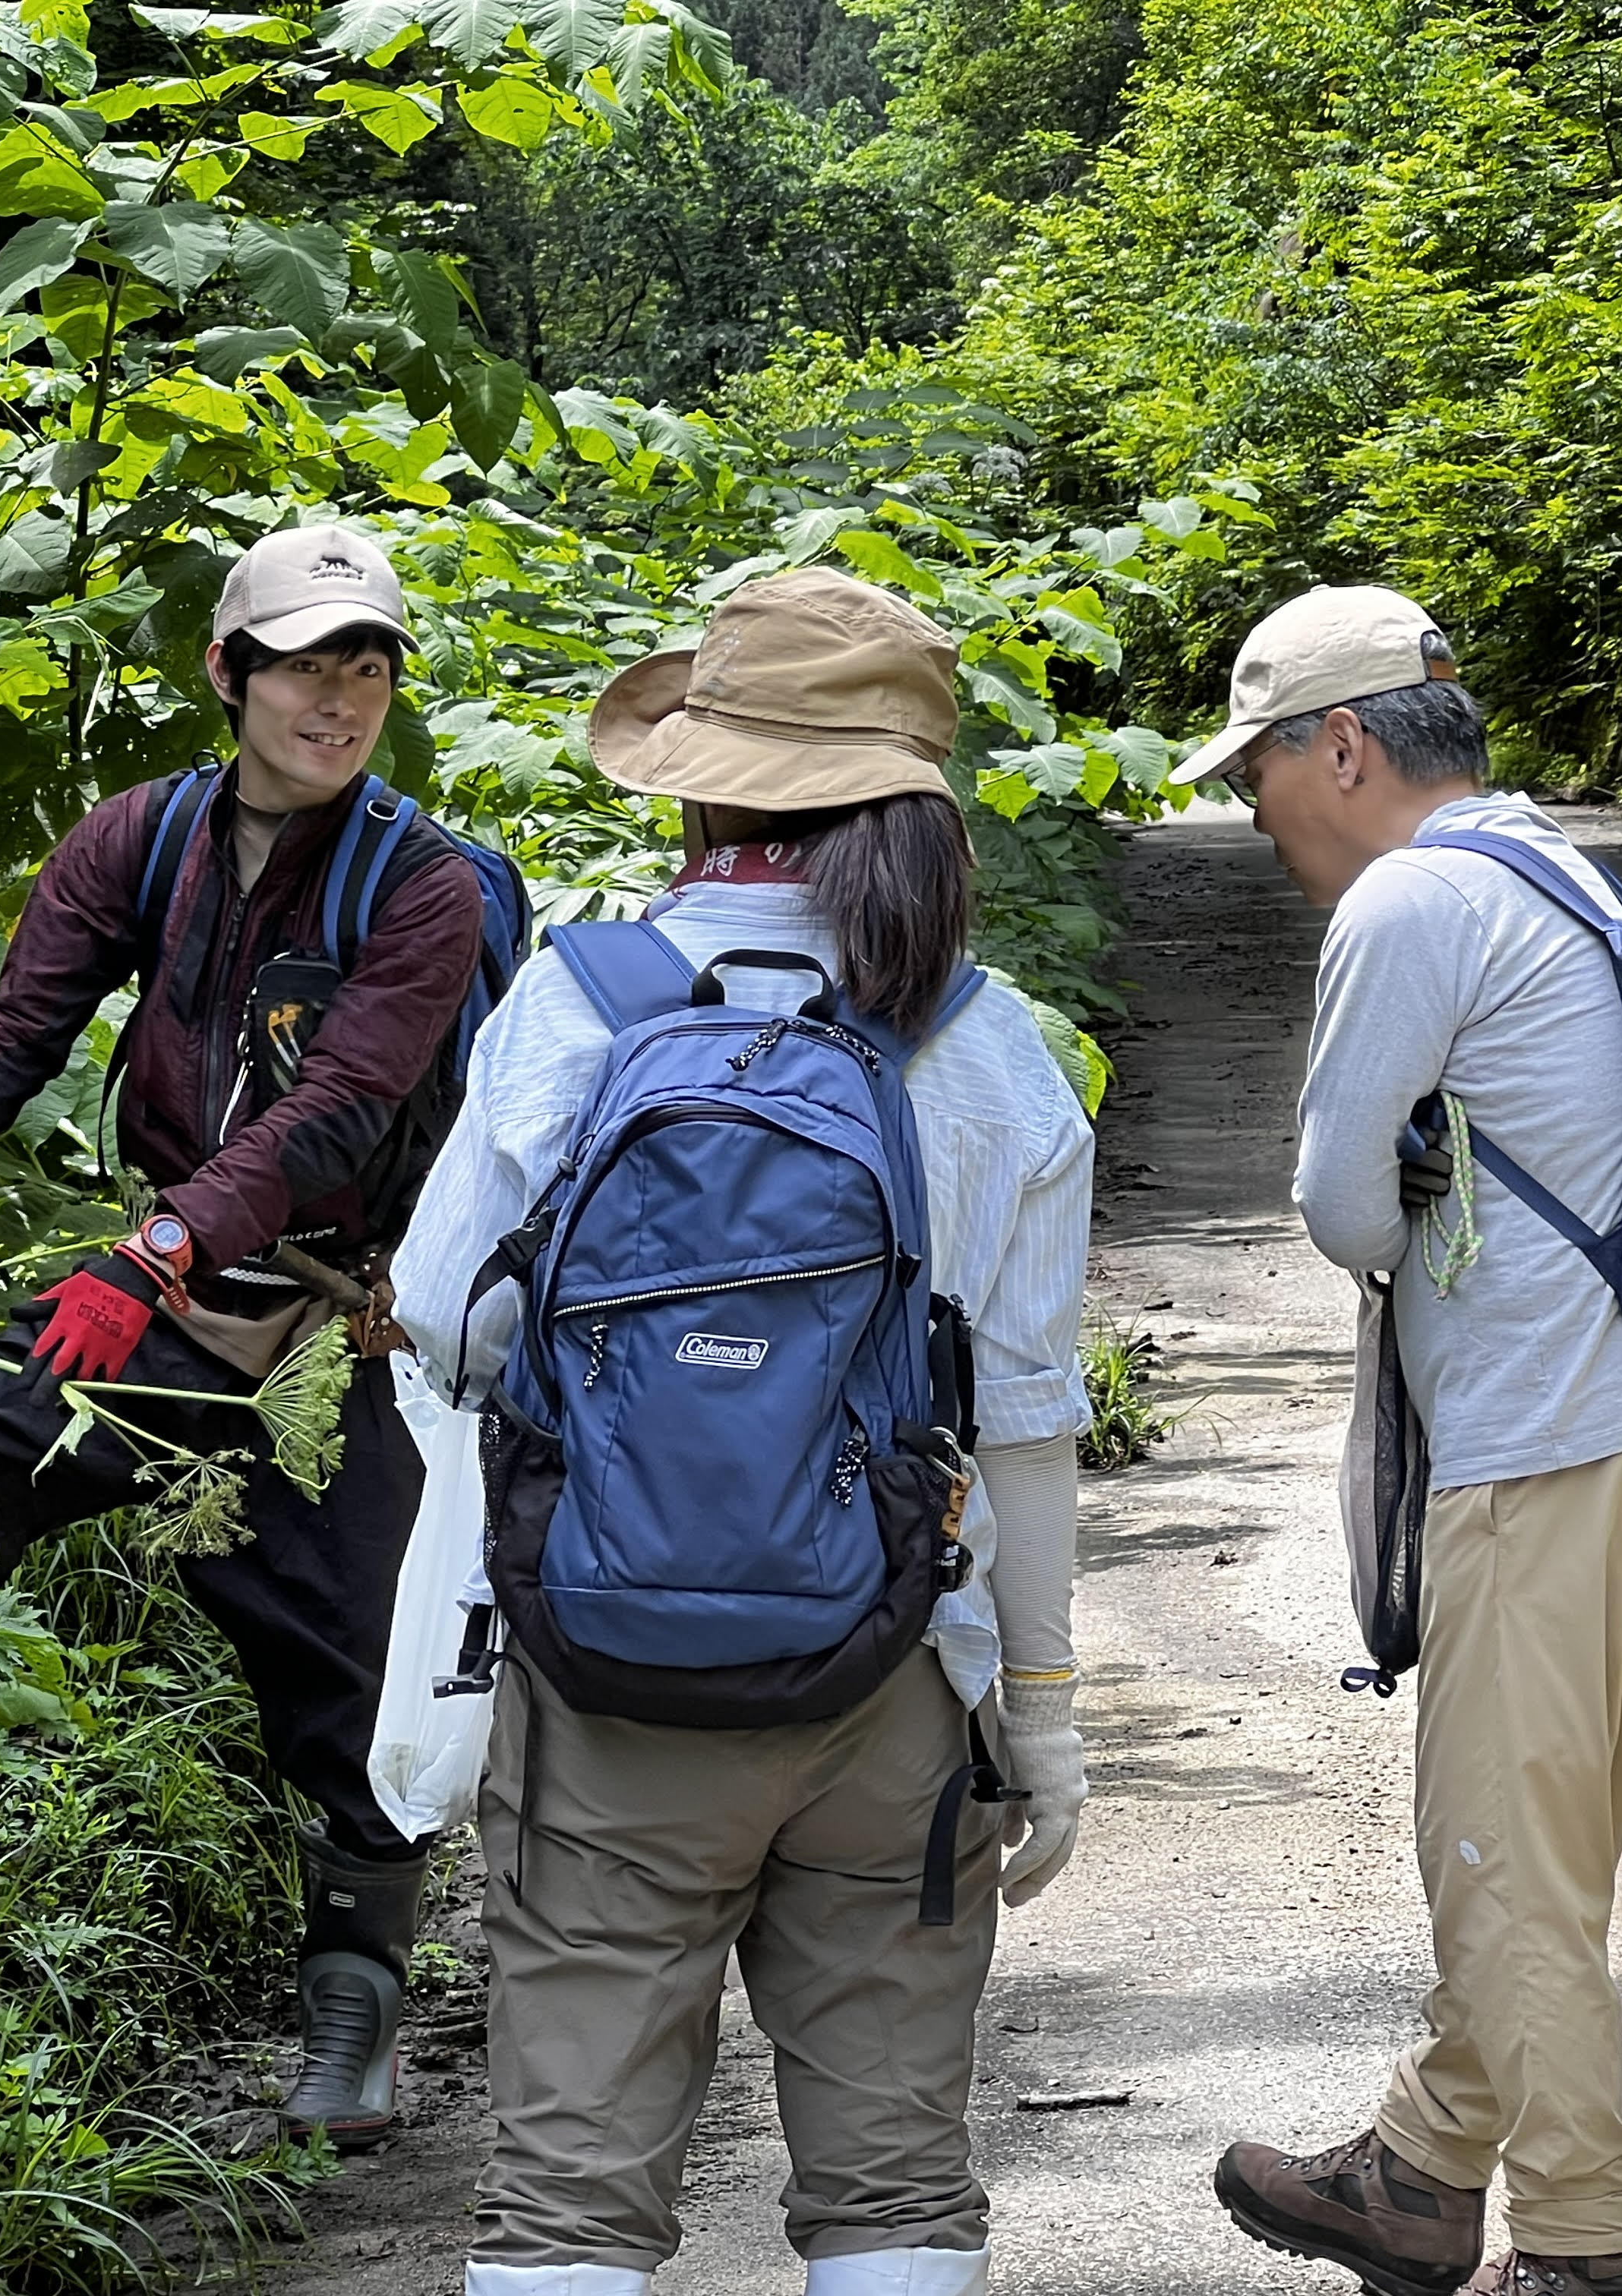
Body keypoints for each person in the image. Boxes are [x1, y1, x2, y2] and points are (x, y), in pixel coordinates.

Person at [390, 567, 1093, 2296]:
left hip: (607, 1673)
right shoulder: (991, 1051)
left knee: (569, 2191)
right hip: (898, 1680)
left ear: (701, 781)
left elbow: (435, 1317)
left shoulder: (578, 1005)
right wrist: (1048, 1720)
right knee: (895, 2184)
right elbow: (1019, 1421)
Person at [0, 524, 486, 2149]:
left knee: (349, 1650)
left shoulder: (423, 883)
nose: (341, 696)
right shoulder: (139, 840)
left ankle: (352, 2024)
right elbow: (22, 1024)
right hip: (171, 1294)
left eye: (367, 665)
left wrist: (150, 1254)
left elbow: (338, 1113)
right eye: (307, 662)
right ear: (228, 673)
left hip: (364, 1312)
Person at [1189, 587, 1622, 2296]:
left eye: (1259, 770)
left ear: (1343, 743)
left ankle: (1583, 2244)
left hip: (1535, 1444)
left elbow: (1338, 1202)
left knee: (1503, 1877)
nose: (1254, 815)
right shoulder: (1559, 866)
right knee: (1538, 1852)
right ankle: (1417, 2167)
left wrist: (1411, 1241)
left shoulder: (1410, 898)